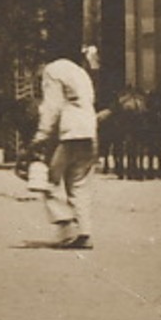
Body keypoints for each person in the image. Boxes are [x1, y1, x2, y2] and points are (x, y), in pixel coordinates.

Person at [29, 46, 100, 249]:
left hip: (70, 133)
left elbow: (53, 106)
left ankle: (67, 230)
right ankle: (85, 232)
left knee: (49, 179)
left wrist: (41, 136)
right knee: (79, 183)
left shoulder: (52, 71)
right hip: (89, 131)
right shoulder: (80, 73)